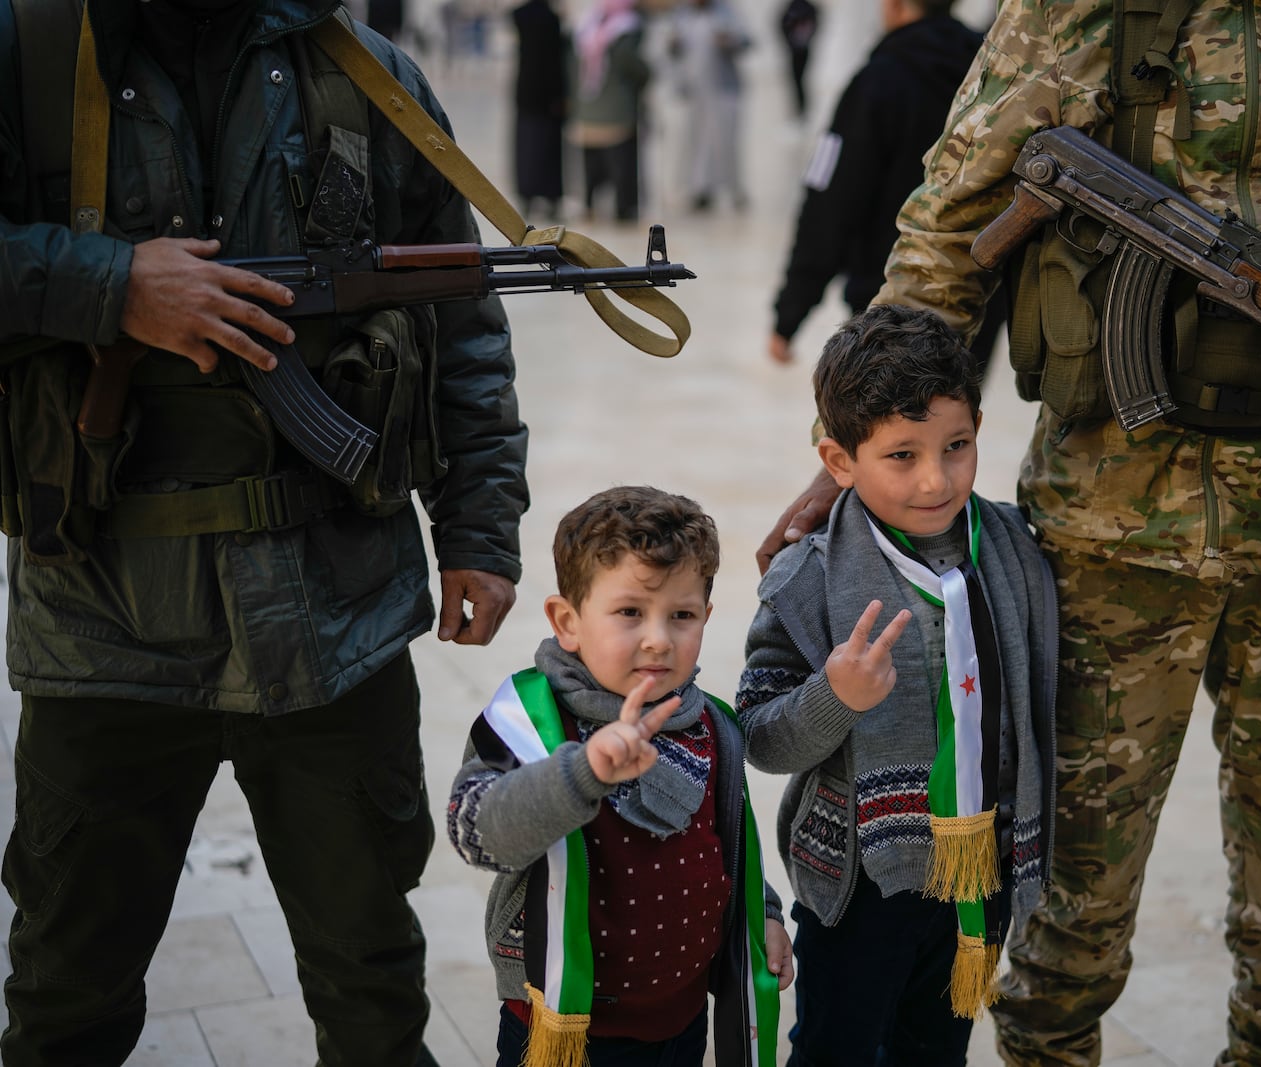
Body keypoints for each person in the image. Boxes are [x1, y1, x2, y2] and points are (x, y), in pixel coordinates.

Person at [757, 3, 1261, 1066]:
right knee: (1066, 901)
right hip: (1100, 540)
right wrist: (860, 457)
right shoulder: (1075, 8)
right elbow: (948, 231)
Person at [0, 2, 530, 1064]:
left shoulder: (367, 76)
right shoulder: (28, 52)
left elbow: (458, 313)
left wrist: (479, 523)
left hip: (336, 615)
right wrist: (114, 286)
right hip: (103, 619)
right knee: (67, 998)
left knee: (373, 989)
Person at [737, 305, 1057, 1065]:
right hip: (858, 888)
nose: (936, 478)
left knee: (936, 1049)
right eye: (901, 456)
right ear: (839, 460)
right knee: (836, 1049)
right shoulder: (807, 578)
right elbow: (758, 733)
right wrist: (834, 697)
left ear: (980, 422)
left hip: (980, 876)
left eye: (957, 446)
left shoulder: (1013, 550)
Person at [446, 485, 794, 1067]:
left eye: (681, 615)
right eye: (630, 611)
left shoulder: (711, 724)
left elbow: (727, 843)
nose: (659, 638)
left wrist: (767, 915)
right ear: (568, 620)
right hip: (563, 1027)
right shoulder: (530, 719)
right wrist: (582, 774)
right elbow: (474, 831)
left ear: (705, 618)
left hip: (681, 1019)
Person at [767, 0, 1008, 378]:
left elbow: (829, 201)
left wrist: (789, 314)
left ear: (895, 5)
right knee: (954, 427)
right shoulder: (994, 75)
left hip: (890, 302)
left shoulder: (876, 82)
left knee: (886, 431)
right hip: (978, 297)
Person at [570, 0, 651, 222]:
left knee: (591, 164)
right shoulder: (628, 26)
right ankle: (624, 209)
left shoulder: (586, 24)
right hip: (617, 110)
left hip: (588, 107)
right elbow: (632, 65)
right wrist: (647, 74)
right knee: (621, 164)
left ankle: (589, 205)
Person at [670, 0, 752, 212]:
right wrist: (673, 45)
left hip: (722, 90)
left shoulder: (726, 12)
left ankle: (734, 190)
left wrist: (729, 41)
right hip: (694, 91)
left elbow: (747, 40)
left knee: (724, 143)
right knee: (696, 144)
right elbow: (671, 50)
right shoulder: (682, 14)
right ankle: (701, 191)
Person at [512, 0, 568, 222]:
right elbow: (555, 62)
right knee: (548, 149)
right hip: (549, 97)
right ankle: (551, 198)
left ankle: (527, 196)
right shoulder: (551, 19)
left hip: (526, 93)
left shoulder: (520, 16)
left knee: (527, 148)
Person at [776, 0, 818, 119]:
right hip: (794, 50)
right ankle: (797, 109)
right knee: (794, 80)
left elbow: (814, 25)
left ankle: (803, 109)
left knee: (801, 79)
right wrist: (790, 42)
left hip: (803, 50)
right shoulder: (792, 7)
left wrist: (805, 39)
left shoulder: (808, 8)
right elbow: (782, 24)